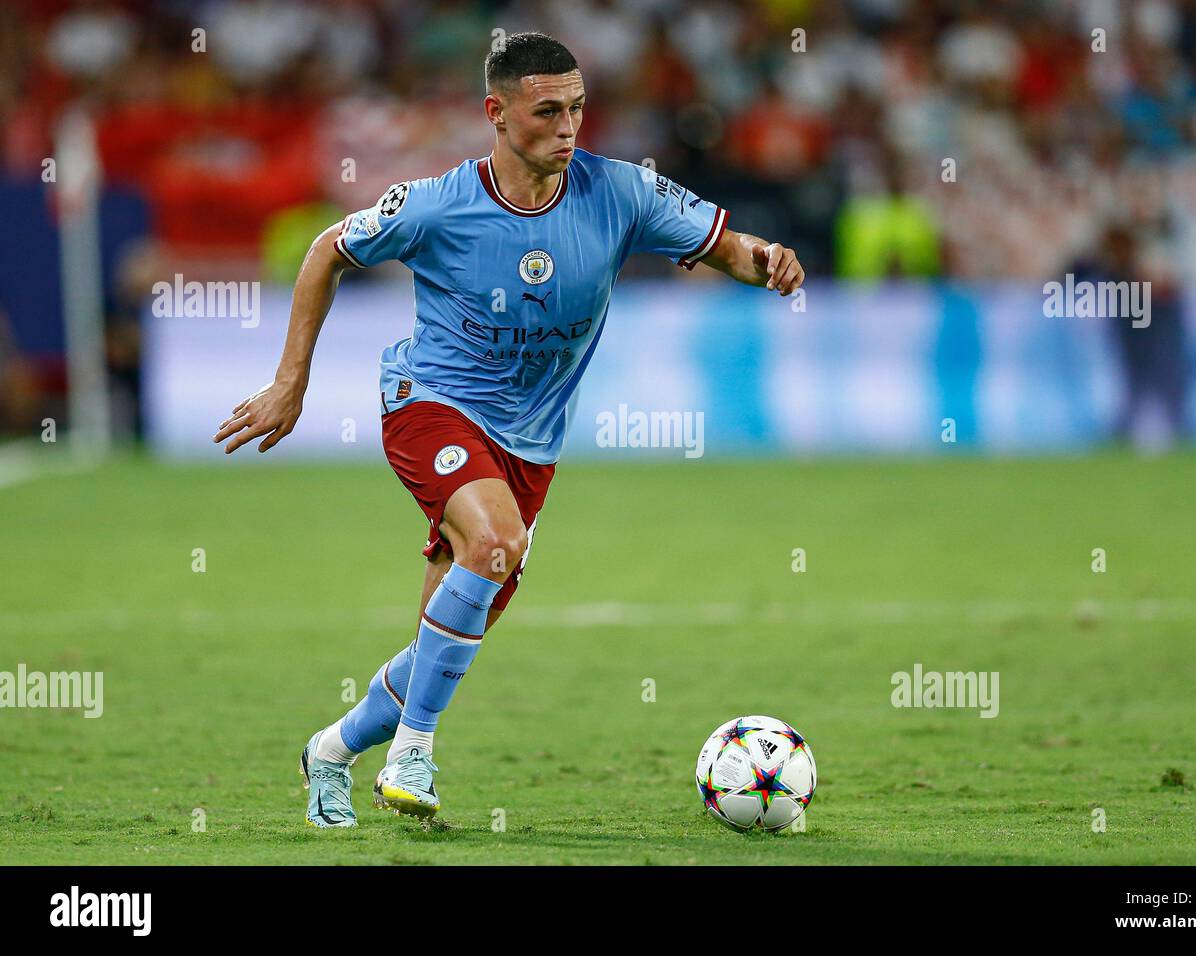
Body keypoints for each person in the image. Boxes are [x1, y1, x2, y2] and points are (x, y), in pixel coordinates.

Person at [211, 33, 805, 828]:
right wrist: (292, 381)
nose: (569, 127)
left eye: (579, 109)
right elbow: (328, 250)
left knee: (441, 645)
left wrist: (767, 259)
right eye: (548, 111)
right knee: (494, 545)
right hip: (430, 403)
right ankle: (414, 754)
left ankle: (329, 753)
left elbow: (728, 247)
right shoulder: (436, 205)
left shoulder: (622, 194)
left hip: (529, 447)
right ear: (496, 113)